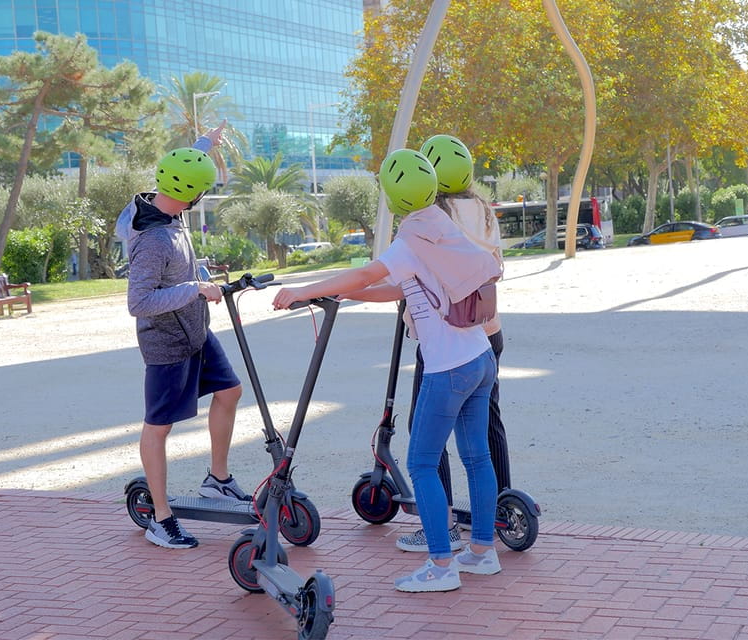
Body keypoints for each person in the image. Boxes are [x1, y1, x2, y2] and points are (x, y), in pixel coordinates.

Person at [272, 149, 501, 592]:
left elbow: (365, 274)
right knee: (477, 457)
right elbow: (401, 287)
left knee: (421, 464)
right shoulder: (441, 226)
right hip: (480, 357)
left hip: (447, 369)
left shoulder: (410, 240)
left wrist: (303, 290)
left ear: (393, 198)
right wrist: (347, 295)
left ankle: (441, 566)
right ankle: (482, 552)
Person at [116, 122, 250, 549]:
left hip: (195, 331)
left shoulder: (167, 205)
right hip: (166, 343)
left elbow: (186, 167)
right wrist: (194, 288)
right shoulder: (154, 239)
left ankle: (218, 480)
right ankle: (161, 518)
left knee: (229, 391)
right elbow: (139, 301)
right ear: (193, 194)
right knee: (159, 427)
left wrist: (206, 142)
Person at [395, 134, 512, 554]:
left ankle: (439, 525)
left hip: (449, 335)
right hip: (489, 330)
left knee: (426, 432)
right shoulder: (483, 209)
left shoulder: (432, 216)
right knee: (486, 428)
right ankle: (499, 513)